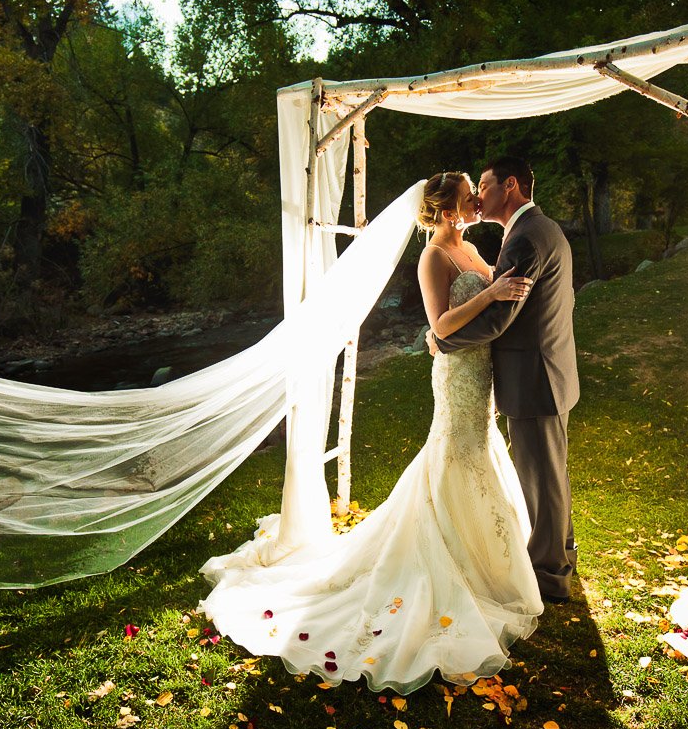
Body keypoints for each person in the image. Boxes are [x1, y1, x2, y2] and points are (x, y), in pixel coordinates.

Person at [198, 172, 544, 694]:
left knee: (477, 449)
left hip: (482, 371)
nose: (477, 199)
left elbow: (482, 314)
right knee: (454, 452)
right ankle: (448, 557)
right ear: (449, 208)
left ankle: (485, 558)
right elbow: (442, 324)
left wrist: (498, 294)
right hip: (457, 373)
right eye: (470, 193)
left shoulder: (473, 248)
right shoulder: (434, 258)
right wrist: (492, 291)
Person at [428, 156, 580, 604]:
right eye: (471, 191)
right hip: (545, 372)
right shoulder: (537, 229)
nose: (478, 196)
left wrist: (444, 342)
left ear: (509, 186)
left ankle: (551, 576)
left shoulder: (525, 240)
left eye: (485, 187)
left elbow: (499, 320)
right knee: (550, 476)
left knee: (543, 481)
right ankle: (560, 554)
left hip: (534, 378)